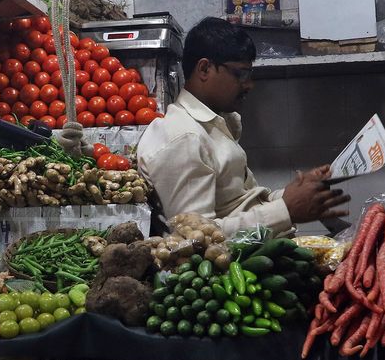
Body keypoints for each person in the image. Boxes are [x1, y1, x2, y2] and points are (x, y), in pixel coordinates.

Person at [133, 17, 349, 236]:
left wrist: (296, 196)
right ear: (205, 69)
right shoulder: (183, 137)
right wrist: (286, 210)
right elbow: (194, 240)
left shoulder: (215, 124)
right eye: (241, 74)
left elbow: (238, 204)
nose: (249, 84)